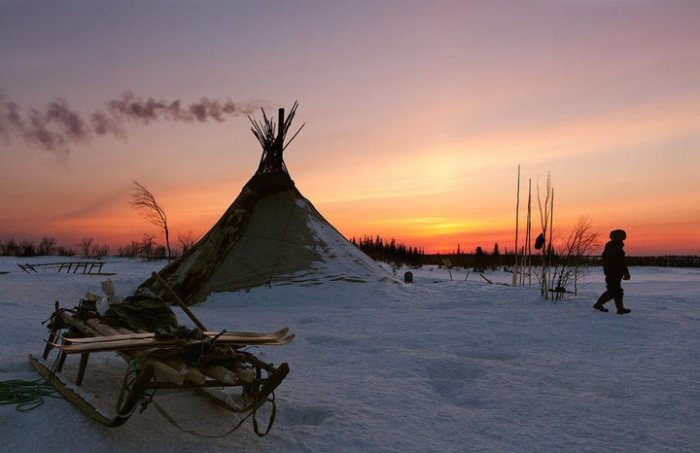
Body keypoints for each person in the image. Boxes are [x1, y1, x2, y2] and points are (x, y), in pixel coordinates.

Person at [593, 229, 631, 314]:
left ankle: (620, 309)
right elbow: (620, 262)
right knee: (613, 291)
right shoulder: (615, 248)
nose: (624, 238)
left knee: (617, 291)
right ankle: (598, 304)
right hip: (613, 273)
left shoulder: (612, 246)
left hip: (613, 273)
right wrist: (625, 272)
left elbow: (619, 262)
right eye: (622, 236)